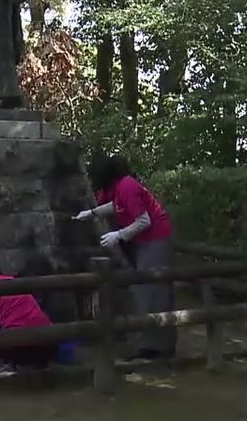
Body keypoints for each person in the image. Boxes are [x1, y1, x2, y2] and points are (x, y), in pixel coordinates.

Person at [76, 154, 177, 360]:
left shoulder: (127, 186)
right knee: (140, 291)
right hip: (141, 242)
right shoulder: (117, 189)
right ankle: (145, 345)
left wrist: (118, 235)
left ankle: (157, 347)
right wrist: (91, 213)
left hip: (154, 239)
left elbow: (143, 220)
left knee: (151, 291)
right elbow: (116, 206)